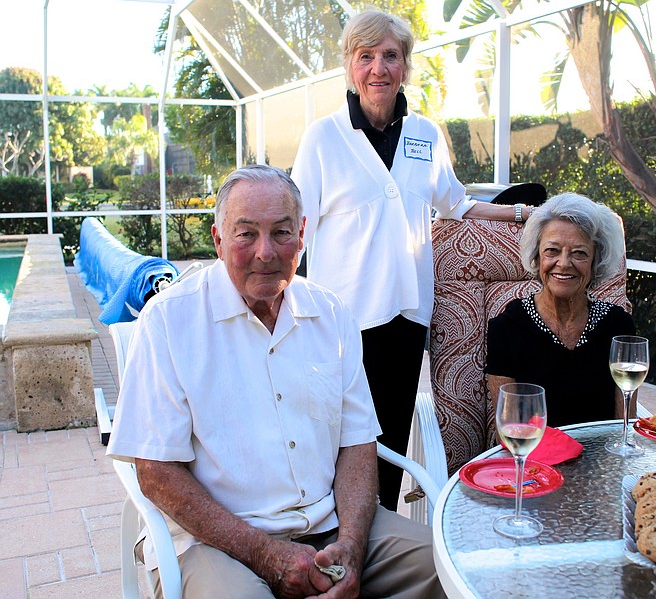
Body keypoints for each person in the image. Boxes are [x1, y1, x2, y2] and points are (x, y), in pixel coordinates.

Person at [106, 165, 445, 599]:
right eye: (246, 234)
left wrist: (353, 548)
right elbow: (155, 472)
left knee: (450, 567)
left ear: (302, 235)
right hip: (215, 541)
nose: (266, 252)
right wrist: (266, 554)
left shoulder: (332, 313)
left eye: (281, 233)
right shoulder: (169, 321)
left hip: (334, 525)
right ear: (218, 240)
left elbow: (357, 443)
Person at [291, 9, 538, 510]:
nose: (378, 68)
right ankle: (333, 535)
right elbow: (297, 228)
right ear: (349, 66)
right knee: (336, 443)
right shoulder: (323, 138)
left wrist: (521, 212)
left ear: (405, 65)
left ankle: (376, 542)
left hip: (406, 317)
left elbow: (457, 203)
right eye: (366, 57)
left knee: (388, 444)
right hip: (342, 319)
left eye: (390, 56)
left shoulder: (426, 134)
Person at [485, 192, 636, 426]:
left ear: (597, 261)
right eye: (552, 251)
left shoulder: (618, 326)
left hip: (602, 459)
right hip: (535, 458)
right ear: (536, 257)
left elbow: (625, 424)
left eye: (579, 253)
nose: (564, 263)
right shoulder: (507, 328)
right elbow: (509, 431)